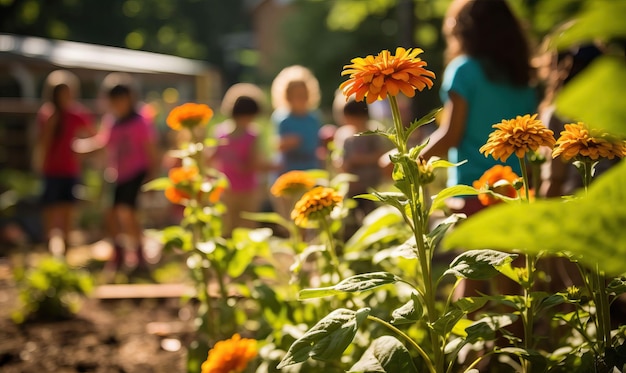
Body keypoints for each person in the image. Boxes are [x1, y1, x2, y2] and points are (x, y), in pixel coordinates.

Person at [421, 0, 538, 216]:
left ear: (463, 30)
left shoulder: (464, 70)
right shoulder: (522, 77)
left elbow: (450, 135)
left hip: (475, 191)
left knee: (479, 252)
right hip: (517, 191)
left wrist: (413, 161)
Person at [75, 82, 157, 274]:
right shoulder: (112, 121)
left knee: (128, 211)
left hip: (136, 172)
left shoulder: (139, 122)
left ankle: (139, 254)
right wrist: (83, 147)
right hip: (117, 174)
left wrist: (152, 176)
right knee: (110, 214)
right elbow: (103, 142)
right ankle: (119, 253)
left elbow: (151, 149)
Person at [35, 70, 94, 255]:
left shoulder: (77, 114)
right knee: (50, 213)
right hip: (51, 171)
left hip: (70, 171)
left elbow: (93, 135)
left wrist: (83, 149)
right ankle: (50, 251)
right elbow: (42, 143)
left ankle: (66, 253)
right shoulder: (47, 114)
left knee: (68, 213)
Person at [212, 86, 275, 236]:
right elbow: (254, 162)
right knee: (245, 228)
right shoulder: (252, 135)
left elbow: (212, 156)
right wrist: (273, 166)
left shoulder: (221, 133)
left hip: (229, 188)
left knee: (228, 227)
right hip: (245, 190)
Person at [337, 99, 388, 220]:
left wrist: (360, 159)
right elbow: (342, 159)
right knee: (352, 216)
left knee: (372, 215)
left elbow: (381, 155)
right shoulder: (347, 138)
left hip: (370, 183)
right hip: (353, 187)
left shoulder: (372, 133)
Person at [271, 66, 322, 174]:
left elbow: (318, 144)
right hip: (288, 171)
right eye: (297, 95)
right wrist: (286, 143)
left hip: (311, 169)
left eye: (304, 95)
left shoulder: (314, 118)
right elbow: (277, 145)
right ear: (287, 97)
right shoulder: (282, 119)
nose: (301, 99)